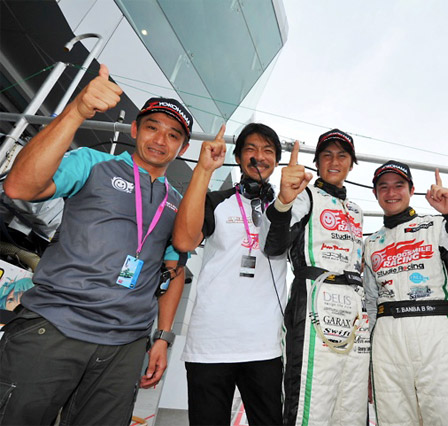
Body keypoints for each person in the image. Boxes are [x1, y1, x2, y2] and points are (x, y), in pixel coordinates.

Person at [0, 64, 190, 426]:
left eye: (173, 135)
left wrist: (162, 339)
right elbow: (19, 187)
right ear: (134, 129)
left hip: (125, 347)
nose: (160, 140)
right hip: (54, 326)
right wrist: (78, 111)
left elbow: (175, 271)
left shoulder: (179, 203)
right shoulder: (93, 163)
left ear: (182, 148)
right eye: (152, 127)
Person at [173, 122, 287, 426]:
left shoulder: (286, 210)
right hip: (210, 344)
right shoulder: (216, 201)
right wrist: (204, 170)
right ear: (238, 158)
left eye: (268, 150)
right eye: (251, 149)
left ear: (277, 161)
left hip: (264, 346)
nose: (259, 156)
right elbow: (183, 241)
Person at [260, 129, 369, 426]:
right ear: (317, 162)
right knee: (311, 403)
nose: (334, 161)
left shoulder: (356, 211)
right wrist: (284, 201)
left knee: (351, 406)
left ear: (351, 164)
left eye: (342, 156)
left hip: (355, 313)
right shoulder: (304, 195)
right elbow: (272, 245)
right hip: (315, 302)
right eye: (327, 155)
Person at [363, 160, 448, 426]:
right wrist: (369, 360)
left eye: (399, 185)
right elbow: (371, 302)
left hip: (437, 332)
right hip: (387, 338)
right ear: (375, 193)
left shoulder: (437, 225)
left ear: (412, 190)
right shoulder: (370, 243)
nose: (391, 193)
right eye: (383, 187)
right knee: (394, 419)